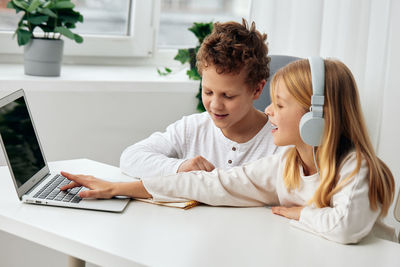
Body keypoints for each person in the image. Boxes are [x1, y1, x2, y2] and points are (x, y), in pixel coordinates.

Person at [61, 58, 396, 244]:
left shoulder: (355, 167)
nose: (268, 112)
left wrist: (298, 213)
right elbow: (212, 183)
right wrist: (119, 188)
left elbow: (345, 227)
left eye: (279, 105)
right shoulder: (286, 165)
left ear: (316, 117)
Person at [119, 19, 282, 178]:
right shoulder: (191, 129)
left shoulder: (280, 141)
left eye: (228, 96)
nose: (216, 106)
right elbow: (130, 157)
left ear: (257, 89)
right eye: (208, 92)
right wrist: (179, 167)